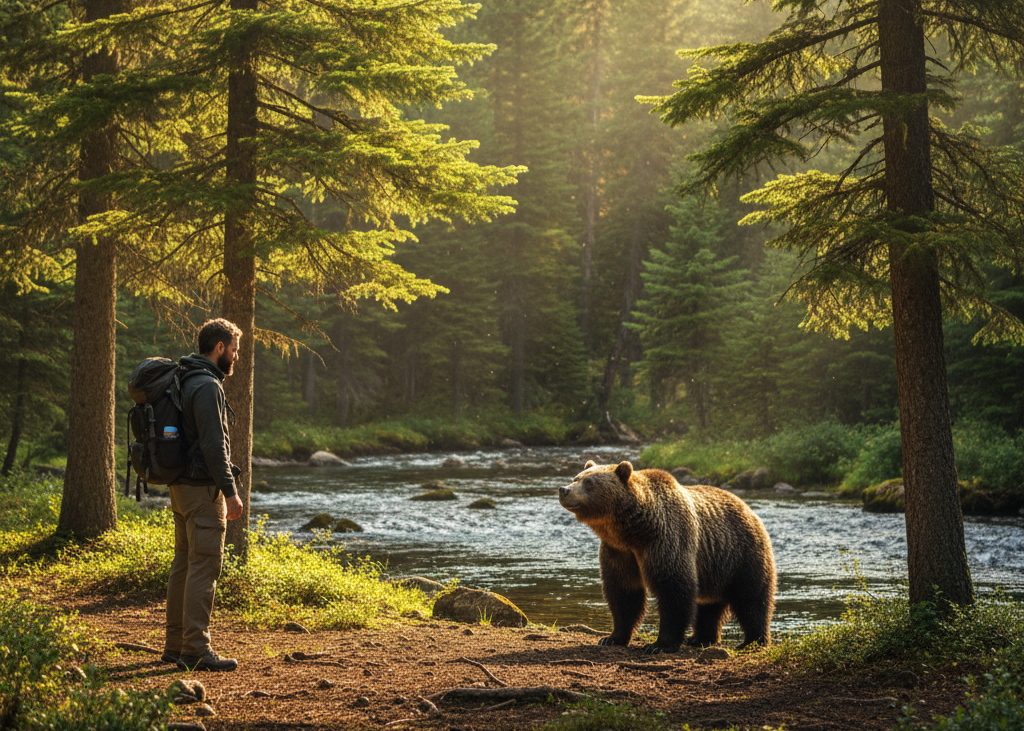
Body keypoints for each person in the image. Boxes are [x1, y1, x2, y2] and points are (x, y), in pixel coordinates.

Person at [162, 318, 245, 672]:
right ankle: (196, 649)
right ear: (220, 348)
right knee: (204, 566)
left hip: (180, 487)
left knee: (184, 564)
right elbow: (215, 447)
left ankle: (175, 645)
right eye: (235, 350)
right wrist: (230, 492)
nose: (236, 358)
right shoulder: (208, 386)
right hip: (201, 490)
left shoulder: (184, 377)